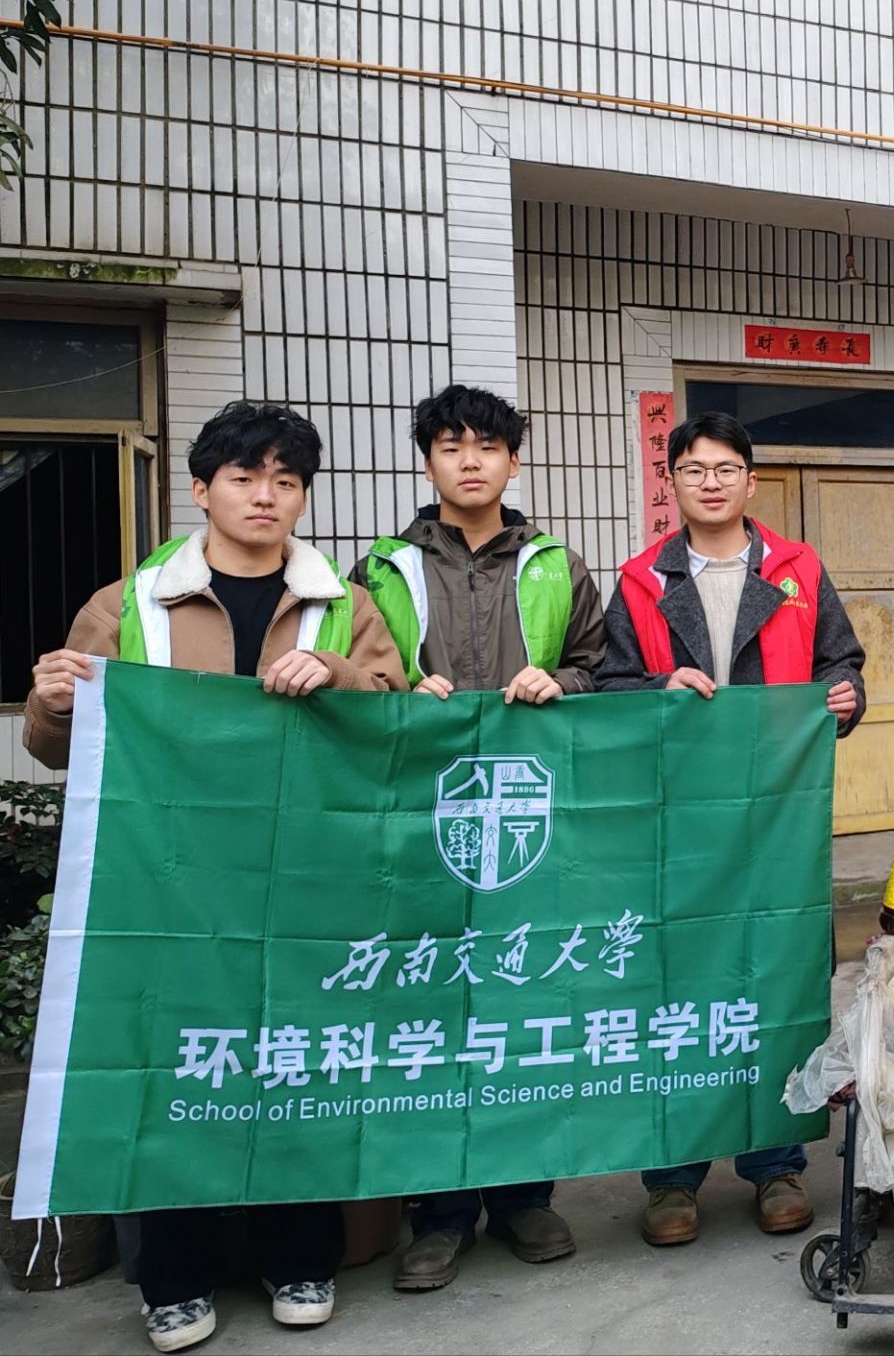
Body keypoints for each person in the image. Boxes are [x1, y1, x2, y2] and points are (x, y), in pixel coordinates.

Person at [24, 401, 405, 1353]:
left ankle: (299, 1254)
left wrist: (338, 675)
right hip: (167, 881)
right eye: (244, 477)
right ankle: (172, 1276)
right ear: (201, 489)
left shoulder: (343, 605)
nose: (265, 496)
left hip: (306, 876)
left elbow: (396, 719)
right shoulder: (128, 604)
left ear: (303, 497)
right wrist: (52, 702)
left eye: (286, 480)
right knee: (171, 1064)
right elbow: (63, 747)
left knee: (297, 1058)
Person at [349, 384, 608, 1291]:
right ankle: (440, 1212)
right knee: (427, 1007)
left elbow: (602, 668)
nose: (470, 460)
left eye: (487, 446)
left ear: (513, 461)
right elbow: (357, 676)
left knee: (523, 1001)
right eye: (451, 445)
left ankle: (525, 1197)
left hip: (529, 815)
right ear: (427, 462)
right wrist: (397, 689)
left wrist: (559, 683)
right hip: (420, 816)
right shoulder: (380, 569)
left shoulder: (557, 564)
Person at [596, 410, 866, 1249]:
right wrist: (658, 689)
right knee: (673, 979)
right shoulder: (640, 579)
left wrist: (846, 698)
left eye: (725, 469)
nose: (710, 483)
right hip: (675, 814)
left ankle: (776, 1161)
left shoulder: (797, 569)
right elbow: (608, 685)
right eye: (693, 469)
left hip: (776, 813)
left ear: (750, 481)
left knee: (774, 974)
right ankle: (672, 1174)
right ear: (670, 482)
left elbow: (840, 662)